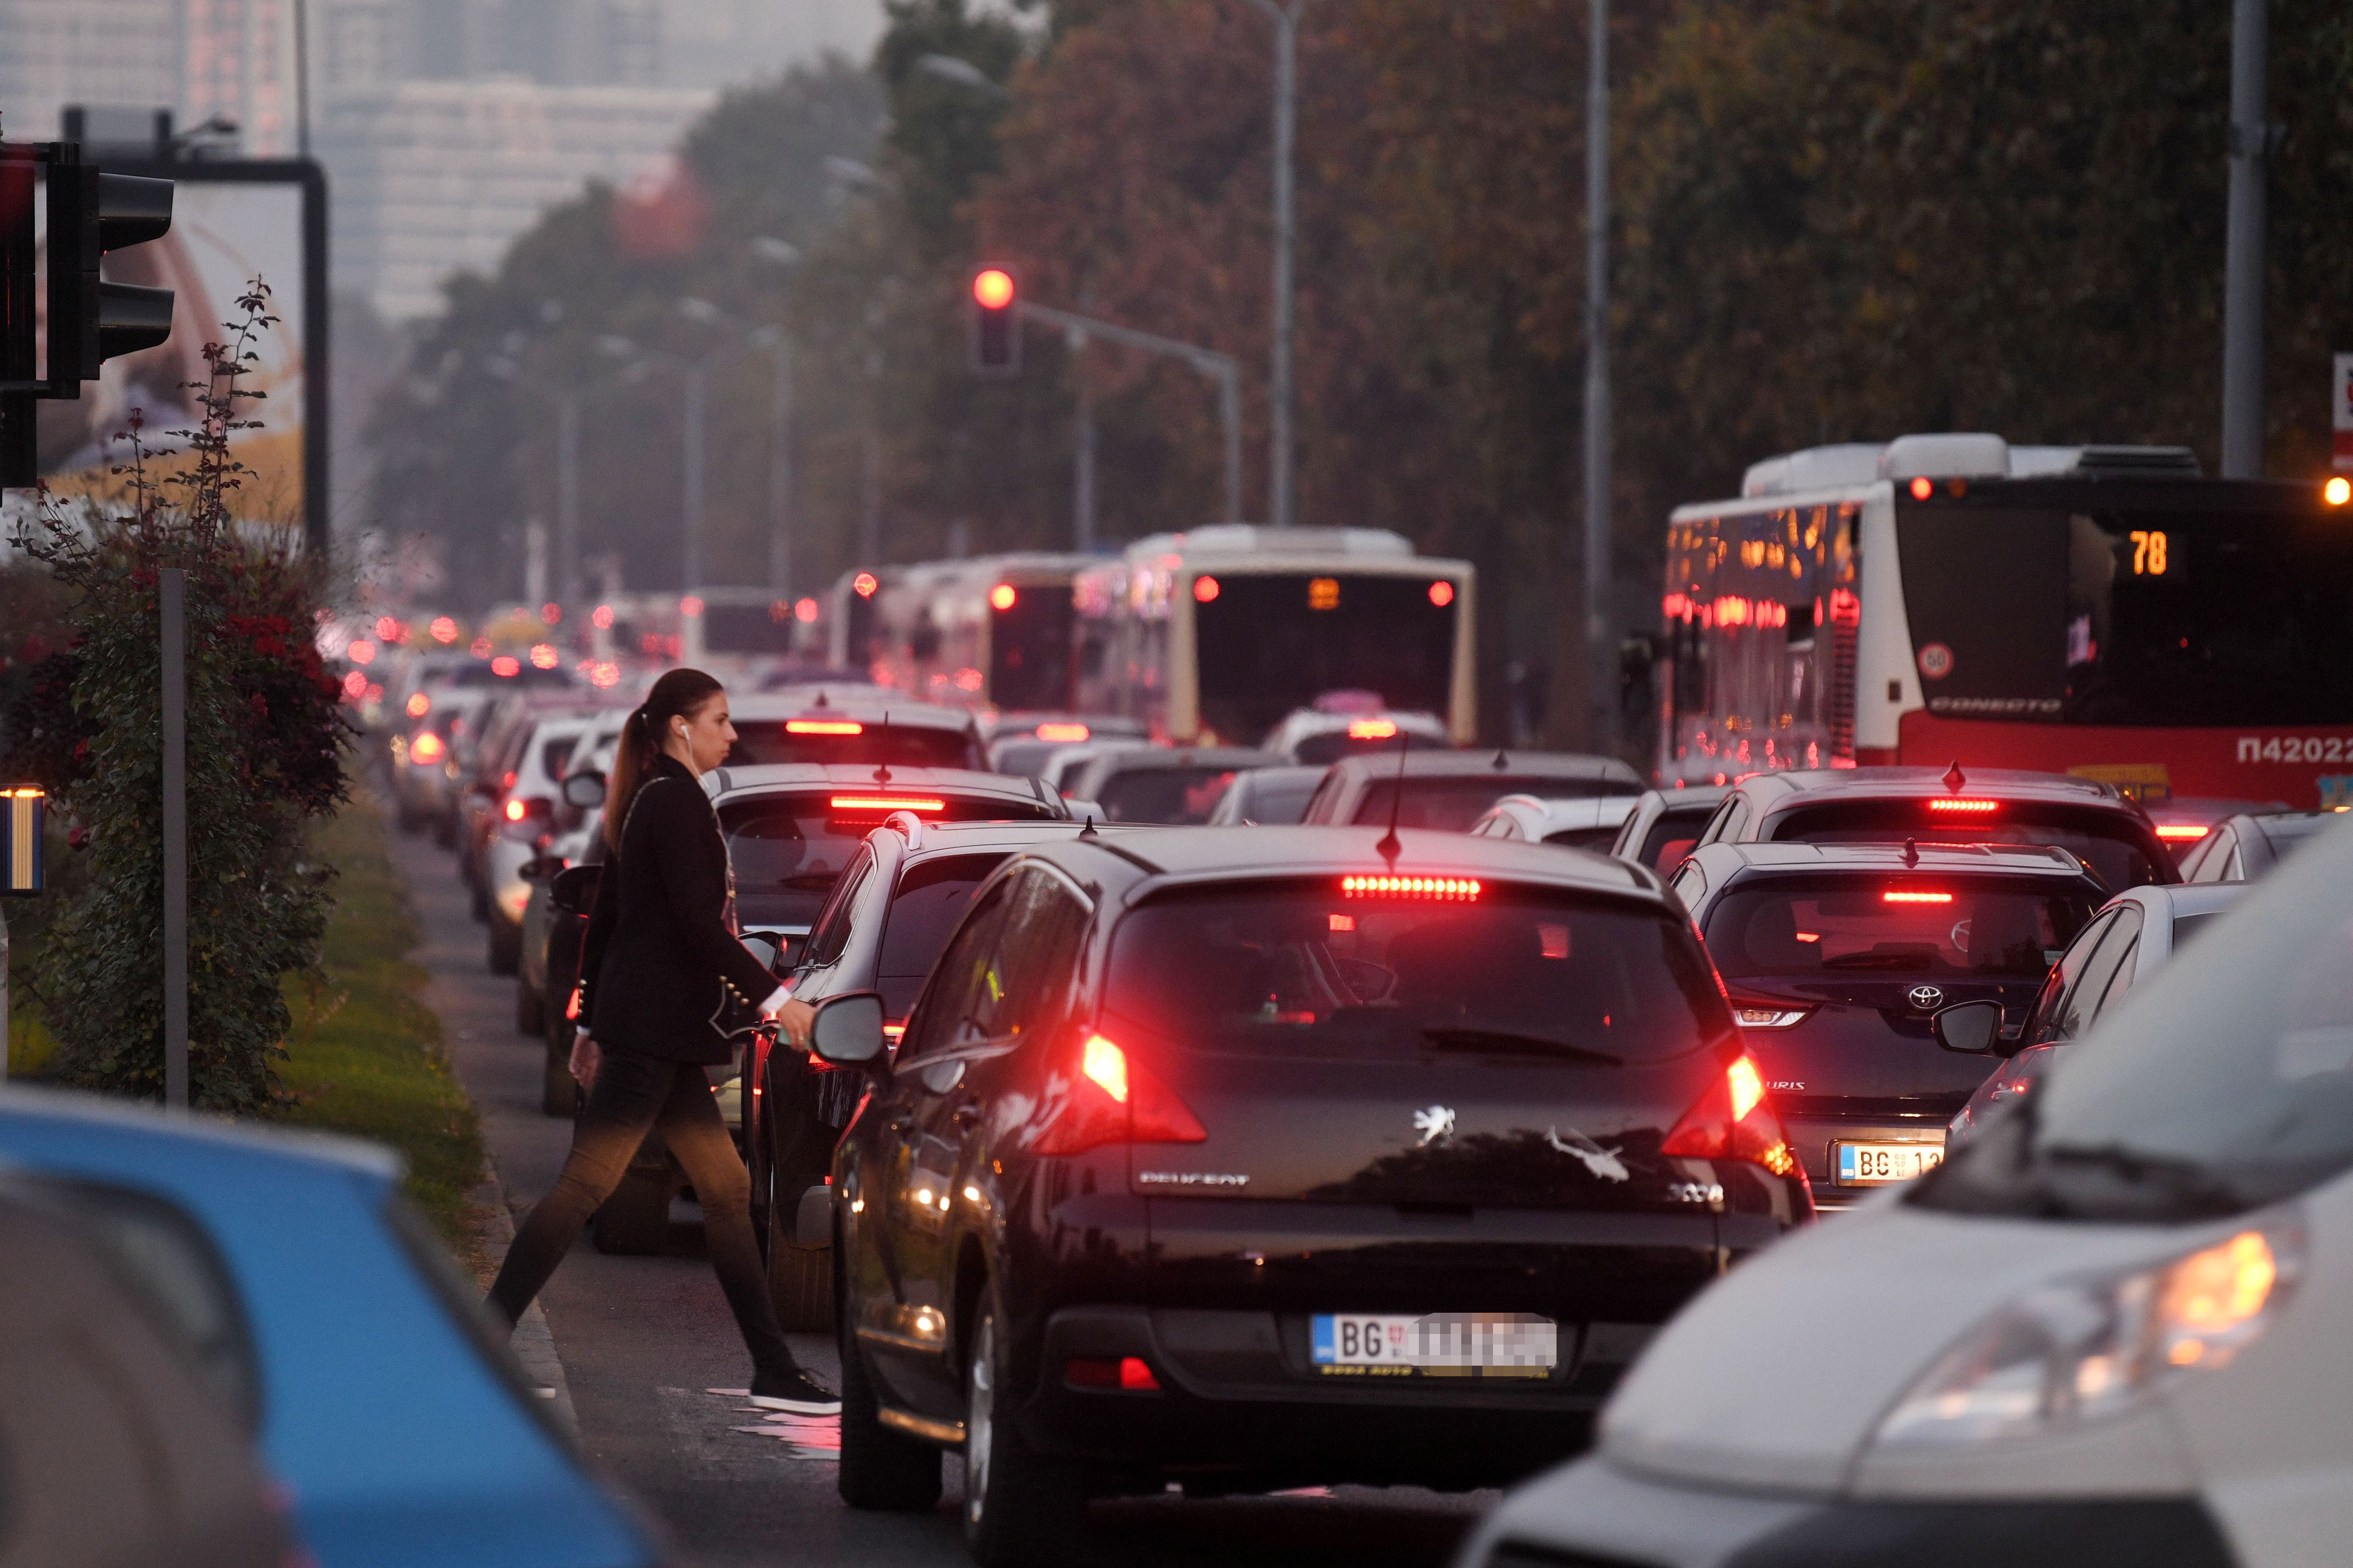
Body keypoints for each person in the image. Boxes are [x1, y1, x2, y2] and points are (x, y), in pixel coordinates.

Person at [486, 668, 836, 1414]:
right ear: (681, 726)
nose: (732, 734)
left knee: (727, 1188)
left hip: (656, 1035)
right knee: (585, 1186)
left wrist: (586, 1022)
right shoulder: (675, 804)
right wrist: (781, 1000)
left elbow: (610, 911)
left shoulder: (655, 799)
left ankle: (772, 1365)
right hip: (650, 1038)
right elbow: (696, 926)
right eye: (721, 719)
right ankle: (480, 1339)